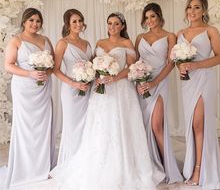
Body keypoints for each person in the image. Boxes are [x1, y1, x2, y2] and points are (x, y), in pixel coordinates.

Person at [50, 12, 165, 189]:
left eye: (116, 24)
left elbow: (131, 68)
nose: (112, 27)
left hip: (121, 90)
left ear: (122, 26)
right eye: (110, 23)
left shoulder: (126, 43)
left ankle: (125, 165)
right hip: (101, 90)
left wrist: (116, 77)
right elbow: (94, 66)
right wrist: (96, 76)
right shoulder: (99, 43)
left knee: (120, 126)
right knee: (100, 126)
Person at [177, 0, 220, 189]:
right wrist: (181, 67)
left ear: (204, 11)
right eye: (190, 7)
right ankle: (192, 166)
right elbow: (178, 61)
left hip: (204, 80)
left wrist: (196, 65)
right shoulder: (180, 32)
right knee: (191, 124)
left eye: (197, 7)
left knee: (199, 124)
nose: (192, 11)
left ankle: (200, 169)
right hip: (187, 83)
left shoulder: (210, 31)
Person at [3, 8, 55, 188]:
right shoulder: (16, 40)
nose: (35, 24)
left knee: (43, 126)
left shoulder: (46, 40)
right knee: (27, 127)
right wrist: (29, 73)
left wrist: (45, 72)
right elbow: (9, 66)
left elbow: (52, 65)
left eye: (38, 21)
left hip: (43, 88)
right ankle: (26, 169)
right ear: (24, 21)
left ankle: (44, 166)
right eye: (31, 20)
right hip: (25, 88)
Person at [135, 3, 183, 184]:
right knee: (143, 126)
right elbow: (134, 62)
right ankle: (149, 164)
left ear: (160, 17)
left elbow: (171, 63)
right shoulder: (140, 37)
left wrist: (154, 81)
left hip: (159, 83)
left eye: (153, 16)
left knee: (157, 126)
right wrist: (138, 82)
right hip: (142, 85)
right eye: (146, 17)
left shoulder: (170, 36)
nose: (149, 21)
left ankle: (167, 166)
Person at [54, 9, 92, 165]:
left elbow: (92, 66)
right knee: (72, 124)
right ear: (68, 24)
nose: (78, 24)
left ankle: (84, 160)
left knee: (86, 124)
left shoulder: (87, 43)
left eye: (80, 20)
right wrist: (74, 83)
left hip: (87, 89)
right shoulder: (63, 43)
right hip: (70, 90)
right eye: (74, 21)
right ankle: (70, 161)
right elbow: (55, 69)